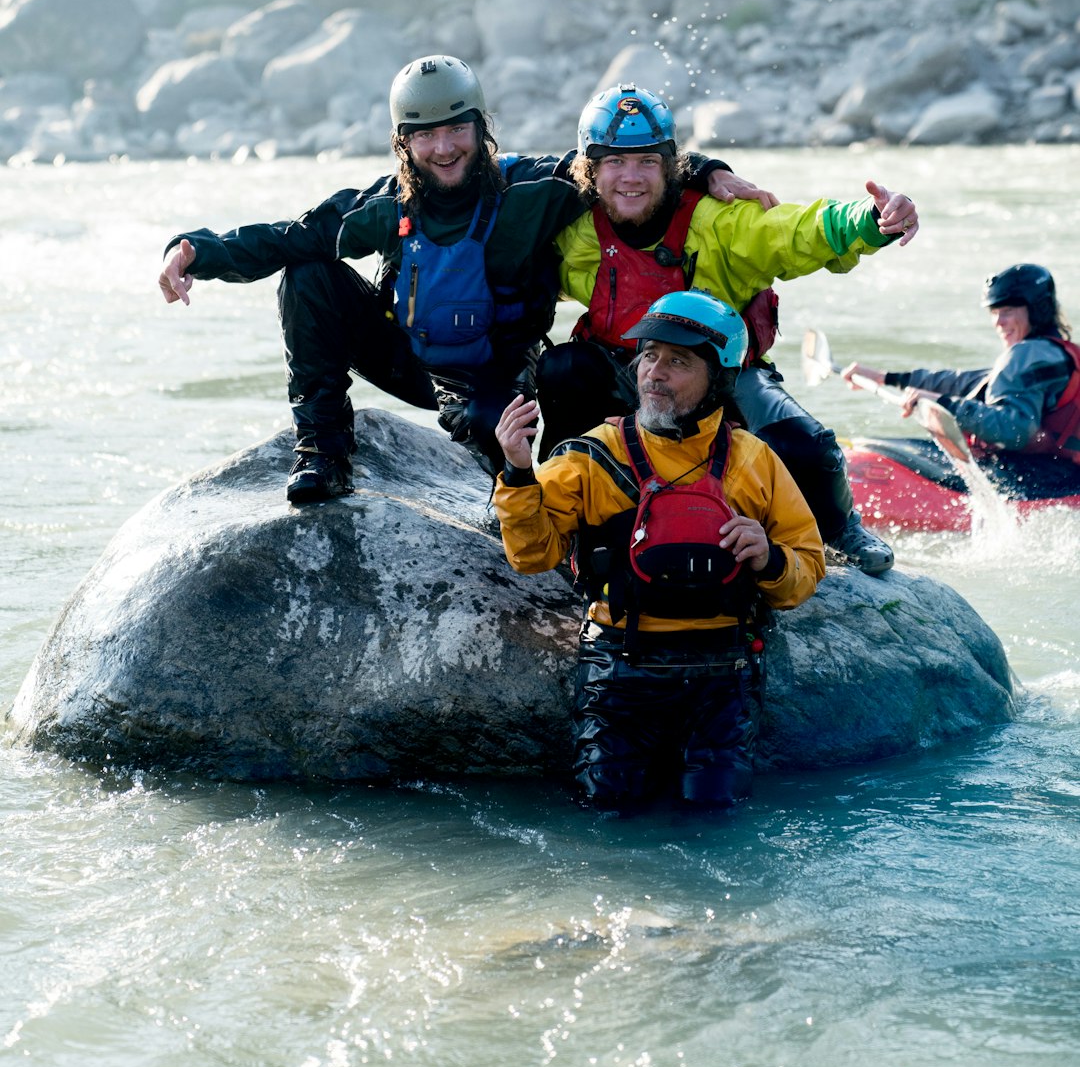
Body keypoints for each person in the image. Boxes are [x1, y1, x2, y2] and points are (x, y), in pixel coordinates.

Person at [158, 56, 764, 503]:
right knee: (308, 274)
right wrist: (191, 253)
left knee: (505, 467)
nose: (443, 147)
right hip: (413, 359)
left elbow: (625, 166)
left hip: (500, 370)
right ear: (403, 141)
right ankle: (323, 448)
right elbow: (287, 237)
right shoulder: (384, 205)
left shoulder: (534, 187)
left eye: (456, 128)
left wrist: (709, 170)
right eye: (424, 133)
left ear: (481, 126)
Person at [534, 84, 921, 576]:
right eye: (614, 162)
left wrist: (869, 221)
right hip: (625, 376)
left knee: (804, 445)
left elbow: (793, 230)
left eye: (647, 162)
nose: (630, 178)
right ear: (591, 170)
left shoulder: (719, 220)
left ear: (670, 166)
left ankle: (838, 526)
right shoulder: (572, 227)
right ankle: (558, 509)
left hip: (721, 374)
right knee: (563, 368)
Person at [494, 289, 825, 810]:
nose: (655, 372)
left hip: (725, 672)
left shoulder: (754, 459)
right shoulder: (593, 453)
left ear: (718, 377)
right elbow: (532, 556)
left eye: (679, 360)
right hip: (620, 667)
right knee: (608, 809)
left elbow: (806, 567)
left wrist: (770, 557)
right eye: (649, 355)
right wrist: (517, 470)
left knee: (717, 814)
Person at [843, 263, 1080, 485]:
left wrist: (943, 405)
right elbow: (967, 382)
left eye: (1007, 310)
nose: (998, 321)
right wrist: (888, 378)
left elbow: (1014, 431)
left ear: (1037, 310)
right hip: (1064, 469)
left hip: (1045, 479)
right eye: (994, 312)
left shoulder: (1024, 354)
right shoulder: (1056, 352)